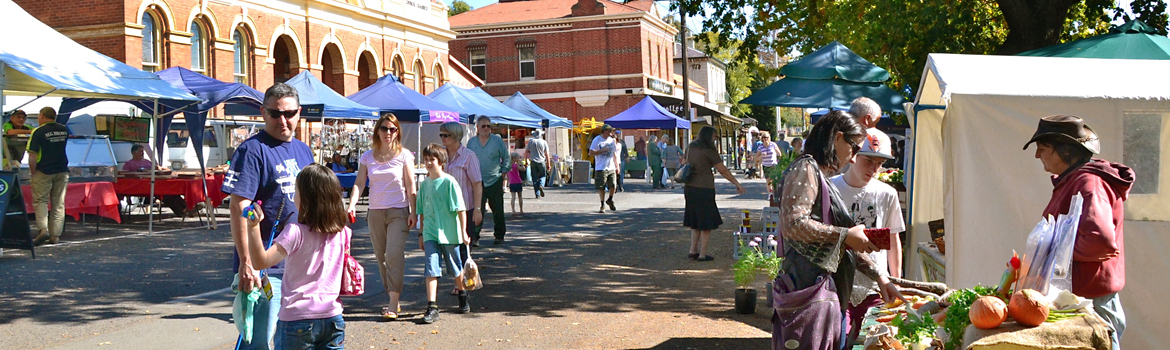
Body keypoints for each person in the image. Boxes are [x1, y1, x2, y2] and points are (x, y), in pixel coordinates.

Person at [772, 110, 905, 350]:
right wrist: (844, 235)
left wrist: (880, 275)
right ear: (837, 138)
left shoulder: (817, 173)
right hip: (809, 294)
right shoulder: (806, 169)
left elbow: (844, 242)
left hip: (822, 295)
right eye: (854, 148)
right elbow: (792, 224)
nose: (853, 158)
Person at [1023, 115, 1130, 350]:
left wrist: (1052, 257)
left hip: (1091, 302)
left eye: (1042, 148)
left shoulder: (1089, 183)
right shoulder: (1074, 181)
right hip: (1082, 299)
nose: (1037, 155)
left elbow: (1098, 242)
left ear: (1065, 151)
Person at [222, 83, 316, 349]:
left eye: (289, 113)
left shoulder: (303, 150)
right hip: (265, 265)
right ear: (263, 113)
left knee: (295, 338)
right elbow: (241, 206)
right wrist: (247, 262)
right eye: (275, 114)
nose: (282, 120)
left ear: (299, 113)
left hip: (299, 263)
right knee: (259, 341)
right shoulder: (252, 150)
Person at [244, 164, 349, 349]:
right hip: (332, 316)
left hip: (297, 318)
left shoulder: (294, 232)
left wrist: (253, 228)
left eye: (296, 192)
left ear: (306, 199)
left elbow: (260, 262)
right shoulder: (343, 233)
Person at [828, 136, 904, 346]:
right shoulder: (830, 188)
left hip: (875, 284)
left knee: (875, 342)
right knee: (838, 340)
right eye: (868, 161)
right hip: (837, 282)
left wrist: (896, 280)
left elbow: (893, 238)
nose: (874, 168)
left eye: (879, 163)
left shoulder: (887, 193)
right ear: (853, 156)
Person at [345, 113, 416, 320]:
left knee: (393, 255)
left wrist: (413, 211)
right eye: (384, 128)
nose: (388, 133)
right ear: (377, 130)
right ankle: (392, 295)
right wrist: (352, 204)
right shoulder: (367, 156)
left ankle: (393, 302)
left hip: (398, 211)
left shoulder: (404, 155)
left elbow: (411, 184)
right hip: (375, 212)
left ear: (397, 133)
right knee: (381, 258)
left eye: (392, 129)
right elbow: (359, 183)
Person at [415, 143, 470, 323]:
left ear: (441, 162)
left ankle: (462, 293)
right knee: (431, 267)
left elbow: (461, 209)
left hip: (449, 233)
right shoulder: (424, 185)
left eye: (432, 159)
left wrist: (463, 232)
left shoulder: (449, 182)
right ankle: (432, 306)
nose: (428, 163)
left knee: (455, 267)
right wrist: (421, 234)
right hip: (431, 233)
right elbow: (421, 211)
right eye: (426, 160)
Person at [683, 126, 746, 261]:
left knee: (695, 220)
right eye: (715, 136)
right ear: (709, 136)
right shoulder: (709, 150)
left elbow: (683, 162)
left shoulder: (690, 147)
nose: (716, 138)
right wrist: (737, 184)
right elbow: (722, 170)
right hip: (704, 187)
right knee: (706, 221)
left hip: (689, 187)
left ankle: (692, 250)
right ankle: (703, 254)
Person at [28, 107, 70, 246]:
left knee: (41, 201)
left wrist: (33, 172)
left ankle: (43, 229)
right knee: (58, 203)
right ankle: (55, 236)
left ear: (42, 116)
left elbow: (32, 155)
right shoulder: (64, 129)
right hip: (62, 170)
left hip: (44, 171)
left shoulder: (38, 131)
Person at [439, 122, 483, 251]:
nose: (443, 138)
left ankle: (464, 271)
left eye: (446, 135)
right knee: (447, 247)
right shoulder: (440, 155)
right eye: (441, 134)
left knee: (464, 248)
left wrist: (477, 209)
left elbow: (477, 184)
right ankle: (453, 271)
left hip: (464, 209)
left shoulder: (469, 156)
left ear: (456, 136)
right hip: (444, 208)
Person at [467, 116, 510, 245]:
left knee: (498, 210)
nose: (486, 129)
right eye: (484, 126)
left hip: (494, 179)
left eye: (488, 126)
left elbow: (506, 157)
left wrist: (503, 174)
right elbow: (467, 159)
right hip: (477, 181)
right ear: (478, 128)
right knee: (477, 209)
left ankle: (499, 235)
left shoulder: (497, 141)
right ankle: (474, 237)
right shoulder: (471, 142)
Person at [589, 124, 620, 213]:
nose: (611, 132)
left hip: (611, 167)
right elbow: (591, 152)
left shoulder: (611, 140)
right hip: (601, 167)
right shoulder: (597, 140)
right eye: (609, 131)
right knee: (601, 186)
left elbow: (614, 153)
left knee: (613, 185)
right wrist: (601, 151)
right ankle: (602, 204)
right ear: (605, 131)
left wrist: (617, 165)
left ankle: (610, 199)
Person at [525, 129, 549, 198]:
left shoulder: (531, 141)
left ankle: (537, 194)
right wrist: (548, 164)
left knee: (534, 178)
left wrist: (526, 161)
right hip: (541, 161)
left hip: (533, 161)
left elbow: (526, 152)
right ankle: (541, 185)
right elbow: (547, 154)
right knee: (543, 176)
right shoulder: (544, 142)